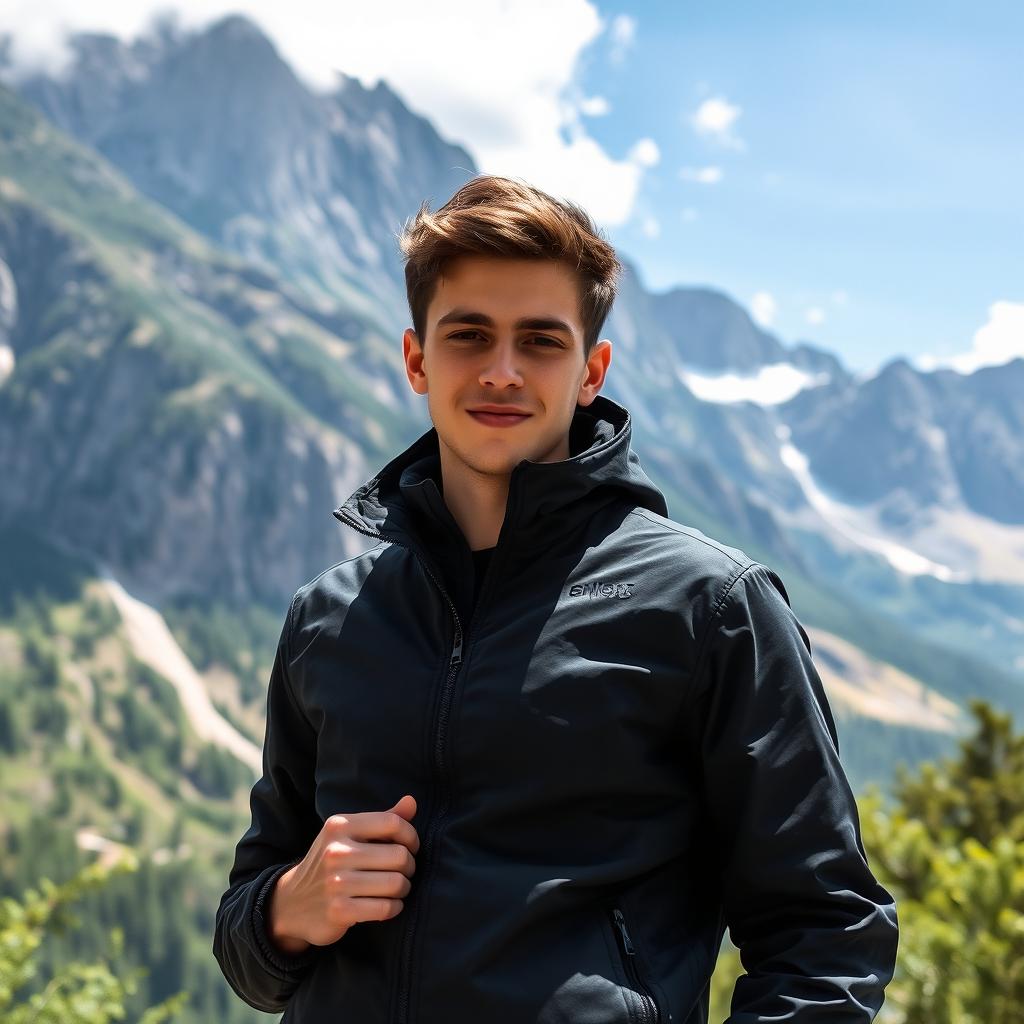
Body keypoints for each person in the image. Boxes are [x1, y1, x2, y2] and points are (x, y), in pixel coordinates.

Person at [213, 175, 899, 1023]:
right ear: (417, 360)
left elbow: (827, 935)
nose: (502, 371)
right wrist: (287, 908)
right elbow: (249, 946)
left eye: (540, 340)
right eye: (469, 335)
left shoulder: (712, 608)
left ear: (590, 370)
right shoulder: (328, 619)